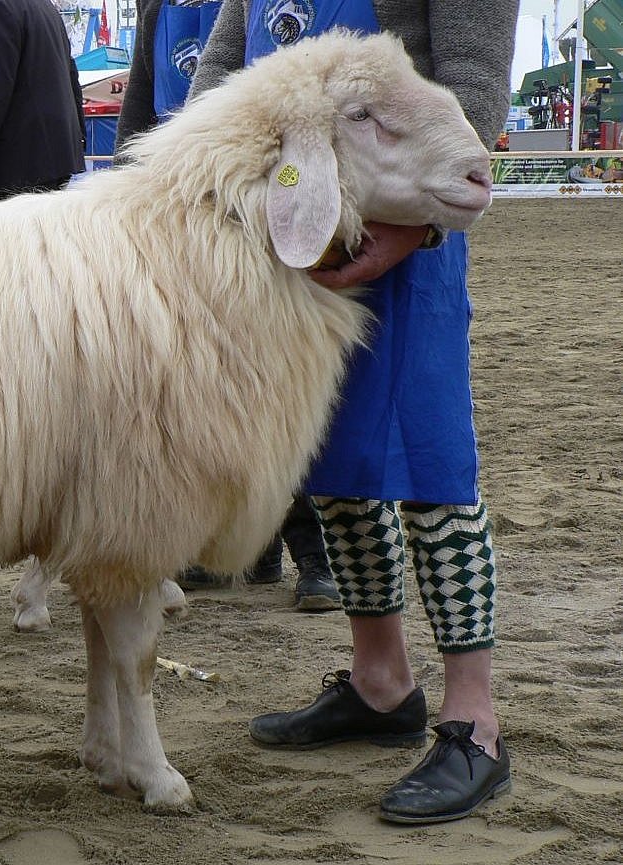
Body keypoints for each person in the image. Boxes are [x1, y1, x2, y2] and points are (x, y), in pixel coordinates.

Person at [191, 0, 518, 824]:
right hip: (297, 245)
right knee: (337, 469)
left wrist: (415, 229)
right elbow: (223, 79)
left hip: (404, 232)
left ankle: (474, 723)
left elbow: (473, 91)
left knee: (432, 467)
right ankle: (381, 684)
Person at [114, 2, 338, 611]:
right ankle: (244, 548)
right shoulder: (157, 8)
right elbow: (142, 89)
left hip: (257, 201)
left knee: (268, 393)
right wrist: (129, 176)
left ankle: (313, 554)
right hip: (179, 207)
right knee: (200, 399)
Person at [0, 0, 85, 200]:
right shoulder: (47, 9)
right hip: (57, 156)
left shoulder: (0, 6)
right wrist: (79, 137)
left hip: (21, 162)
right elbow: (72, 79)